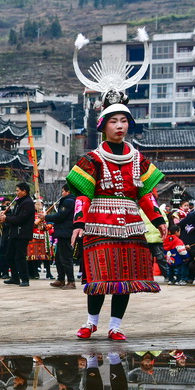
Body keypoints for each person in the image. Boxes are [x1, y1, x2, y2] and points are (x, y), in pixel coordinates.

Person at [68, 29, 166, 341]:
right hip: (99, 222)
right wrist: (79, 224)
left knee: (125, 277)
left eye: (124, 121)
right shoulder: (92, 158)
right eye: (114, 121)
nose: (120, 126)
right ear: (104, 125)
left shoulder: (139, 158)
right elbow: (84, 195)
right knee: (99, 275)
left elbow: (146, 194)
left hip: (131, 223)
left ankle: (116, 326)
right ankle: (91, 321)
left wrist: (160, 220)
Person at [0, 182, 35, 286]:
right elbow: (14, 216)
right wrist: (5, 215)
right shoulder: (19, 202)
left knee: (20, 256)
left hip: (22, 233)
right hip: (14, 233)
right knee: (9, 255)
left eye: (18, 190)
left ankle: (25, 278)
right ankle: (15, 277)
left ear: (24, 191)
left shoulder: (28, 203)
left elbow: (21, 218)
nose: (16, 192)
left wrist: (6, 219)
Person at [46, 185, 77, 288]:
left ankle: (71, 281)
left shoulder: (69, 201)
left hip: (65, 232)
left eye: (63, 191)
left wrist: (46, 217)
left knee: (66, 258)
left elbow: (60, 216)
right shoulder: (67, 200)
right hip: (62, 232)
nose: (62, 193)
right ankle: (61, 279)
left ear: (68, 191)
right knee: (59, 258)